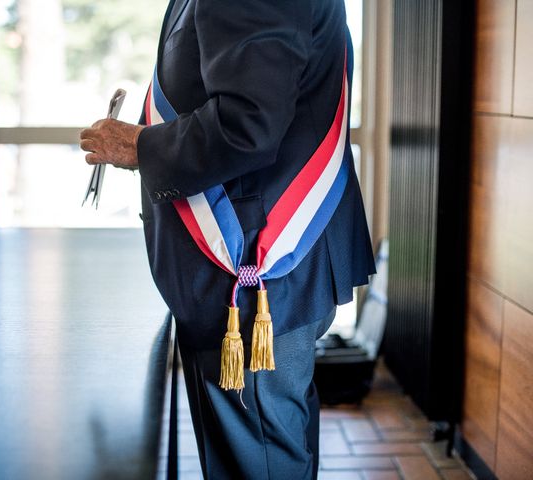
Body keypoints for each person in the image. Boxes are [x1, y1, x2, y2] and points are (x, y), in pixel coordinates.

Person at [80, 0, 375, 478]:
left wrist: (141, 146)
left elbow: (249, 124)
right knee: (269, 448)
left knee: (258, 459)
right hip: (266, 269)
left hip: (256, 264)